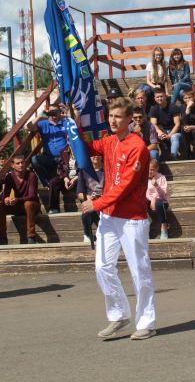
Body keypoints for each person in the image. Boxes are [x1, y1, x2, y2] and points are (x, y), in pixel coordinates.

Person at [80, 96, 156, 341]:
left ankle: (146, 322)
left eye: (118, 117)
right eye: (110, 116)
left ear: (129, 120)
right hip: (109, 217)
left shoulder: (138, 147)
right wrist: (74, 125)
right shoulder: (109, 142)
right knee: (102, 267)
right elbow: (86, 146)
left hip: (132, 218)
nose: (113, 120)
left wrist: (97, 203)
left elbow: (125, 185)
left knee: (139, 271)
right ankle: (118, 315)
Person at [0, 154, 41, 244]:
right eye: (18, 163)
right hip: (19, 204)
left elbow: (32, 196)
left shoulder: (31, 175)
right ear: (12, 165)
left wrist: (17, 199)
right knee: (1, 205)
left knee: (28, 204)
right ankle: (2, 238)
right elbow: (6, 194)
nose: (21, 165)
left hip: (33, 205)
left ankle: (31, 237)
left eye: (22, 163)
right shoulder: (10, 177)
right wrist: (7, 199)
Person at [28, 107, 68, 188]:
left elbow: (76, 122)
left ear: (59, 112)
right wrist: (39, 117)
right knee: (34, 159)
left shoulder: (64, 122)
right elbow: (28, 127)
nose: (53, 113)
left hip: (65, 157)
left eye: (55, 111)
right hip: (49, 157)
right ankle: (47, 183)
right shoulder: (43, 123)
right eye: (51, 111)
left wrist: (64, 115)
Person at [76, 155, 104, 244]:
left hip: (105, 200)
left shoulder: (108, 170)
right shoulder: (84, 171)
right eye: (93, 154)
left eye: (98, 154)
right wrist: (88, 198)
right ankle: (87, 234)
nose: (96, 156)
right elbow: (79, 193)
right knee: (86, 211)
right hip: (90, 200)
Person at [149, 88, 182, 160]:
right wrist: (159, 132)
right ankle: (162, 156)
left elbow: (177, 124)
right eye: (157, 97)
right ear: (154, 98)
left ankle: (173, 156)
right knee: (155, 135)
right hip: (162, 131)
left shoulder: (173, 107)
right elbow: (153, 124)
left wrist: (169, 135)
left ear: (165, 96)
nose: (159, 98)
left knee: (174, 137)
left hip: (174, 131)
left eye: (161, 96)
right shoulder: (154, 109)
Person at [48, 147, 78, 214]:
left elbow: (84, 168)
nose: (70, 140)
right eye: (68, 139)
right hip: (66, 177)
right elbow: (59, 168)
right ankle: (53, 208)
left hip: (79, 177)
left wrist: (74, 179)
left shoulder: (82, 149)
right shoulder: (64, 151)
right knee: (53, 182)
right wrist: (65, 178)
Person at [146, 159, 171, 239]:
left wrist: (157, 186)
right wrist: (152, 199)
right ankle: (147, 223)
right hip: (150, 201)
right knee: (139, 203)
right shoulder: (144, 178)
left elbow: (164, 195)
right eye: (148, 169)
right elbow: (145, 194)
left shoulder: (161, 178)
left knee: (159, 203)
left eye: (152, 170)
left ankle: (164, 227)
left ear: (156, 169)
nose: (150, 171)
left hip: (162, 201)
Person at [180, 90, 195, 159]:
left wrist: (193, 127)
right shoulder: (183, 107)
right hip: (188, 127)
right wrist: (187, 109)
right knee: (183, 129)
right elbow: (184, 122)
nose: (187, 100)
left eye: (189, 97)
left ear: (194, 97)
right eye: (185, 98)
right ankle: (187, 153)